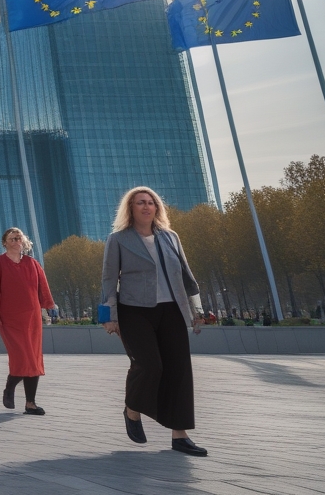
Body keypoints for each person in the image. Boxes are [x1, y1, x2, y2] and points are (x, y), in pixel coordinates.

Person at [102, 186, 208, 457]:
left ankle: (180, 436)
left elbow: (187, 277)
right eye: (140, 202)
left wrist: (197, 311)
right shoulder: (118, 240)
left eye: (151, 202)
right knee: (148, 366)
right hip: (134, 311)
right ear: (131, 208)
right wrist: (107, 317)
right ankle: (132, 409)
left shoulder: (170, 237)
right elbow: (108, 281)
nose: (147, 206)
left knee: (179, 371)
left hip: (172, 309)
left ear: (157, 208)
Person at [0, 228, 56, 415]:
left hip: (32, 318)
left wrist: (49, 305)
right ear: (5, 243)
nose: (16, 241)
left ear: (23, 241)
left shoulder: (32, 263)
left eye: (19, 238)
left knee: (33, 358)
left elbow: (43, 287)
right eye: (12, 239)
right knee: (22, 357)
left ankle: (30, 404)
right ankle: (10, 386)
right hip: (10, 319)